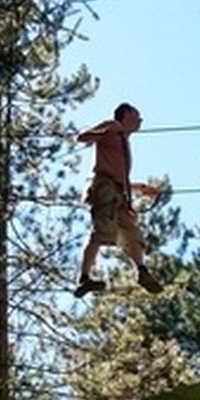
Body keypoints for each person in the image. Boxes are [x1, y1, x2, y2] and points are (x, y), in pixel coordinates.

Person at [73, 103, 162, 298]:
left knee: (132, 234)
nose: (140, 120)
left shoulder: (122, 140)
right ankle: (84, 277)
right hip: (104, 188)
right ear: (126, 115)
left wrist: (139, 188)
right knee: (101, 231)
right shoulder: (113, 127)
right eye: (137, 116)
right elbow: (83, 137)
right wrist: (98, 132)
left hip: (118, 192)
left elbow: (118, 175)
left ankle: (141, 270)